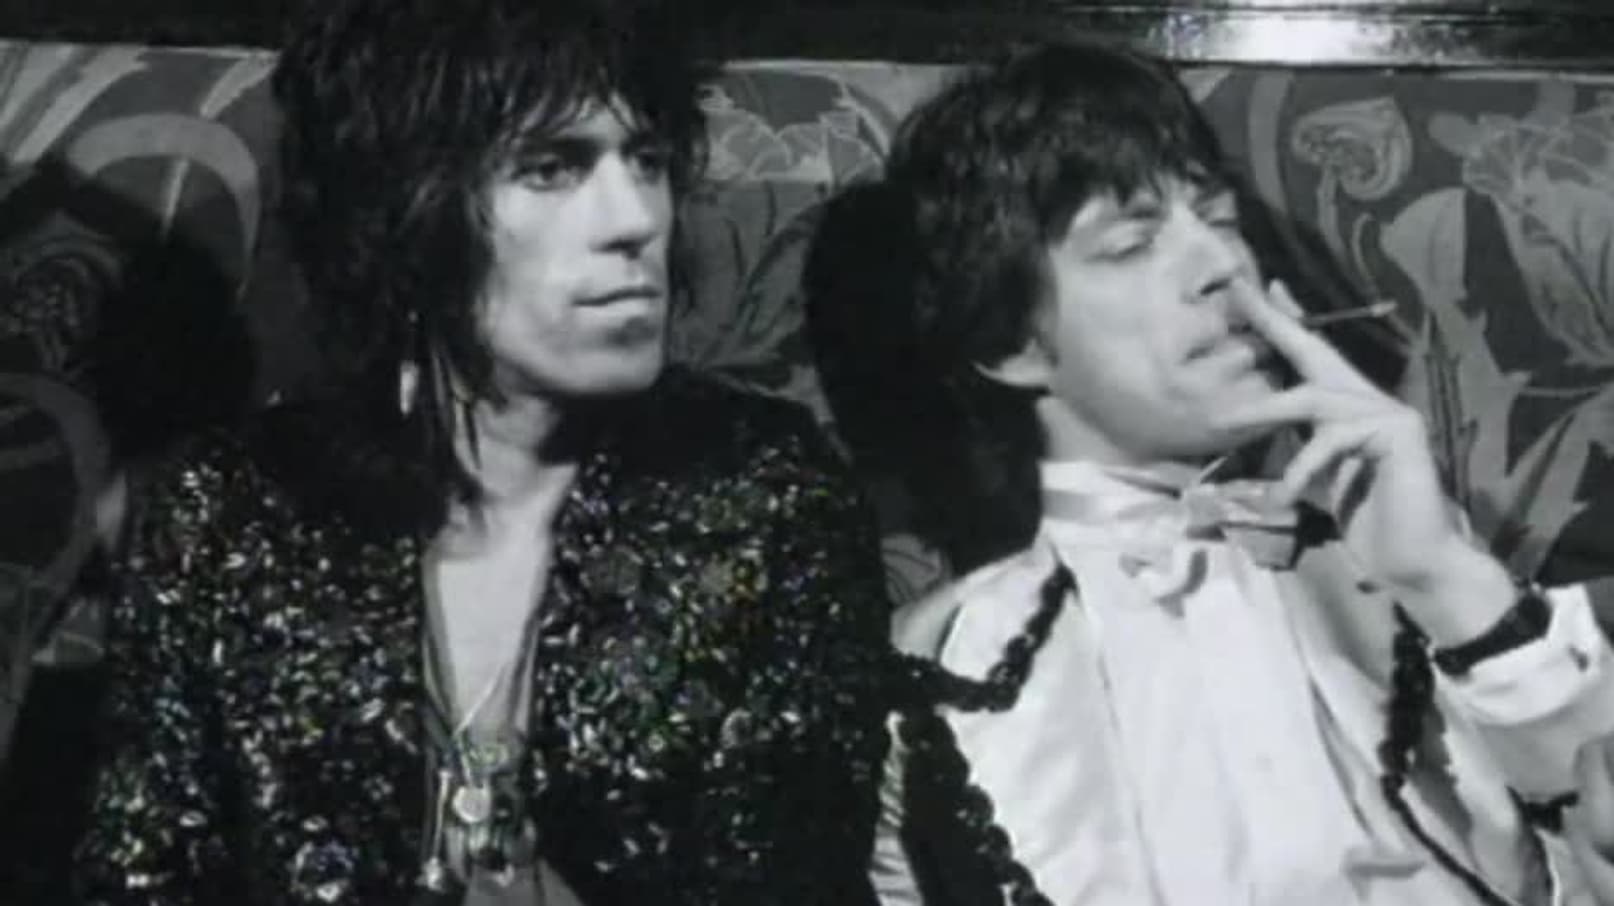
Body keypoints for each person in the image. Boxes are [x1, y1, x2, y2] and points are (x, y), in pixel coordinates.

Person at [72, 0, 893, 903]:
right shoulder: (226, 512)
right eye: (551, 168)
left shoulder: (768, 498)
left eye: (648, 160)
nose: (635, 219)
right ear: (403, 212)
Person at [806, 39, 1614, 906]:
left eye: (1220, 221)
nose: (1225, 267)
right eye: (1132, 243)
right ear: (1009, 342)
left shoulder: (1421, 587)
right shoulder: (937, 669)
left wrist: (1447, 582)